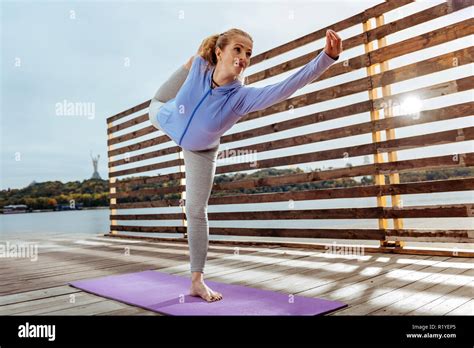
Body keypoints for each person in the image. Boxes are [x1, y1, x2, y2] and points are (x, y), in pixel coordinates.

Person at [149, 28, 342, 302]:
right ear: (219, 52)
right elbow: (181, 82)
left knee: (195, 210)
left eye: (248, 53)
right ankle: (159, 106)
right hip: (166, 118)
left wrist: (326, 58)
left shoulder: (240, 98)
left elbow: (284, 88)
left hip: (200, 150)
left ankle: (196, 281)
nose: (243, 57)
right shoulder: (200, 65)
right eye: (237, 50)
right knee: (154, 105)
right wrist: (194, 64)